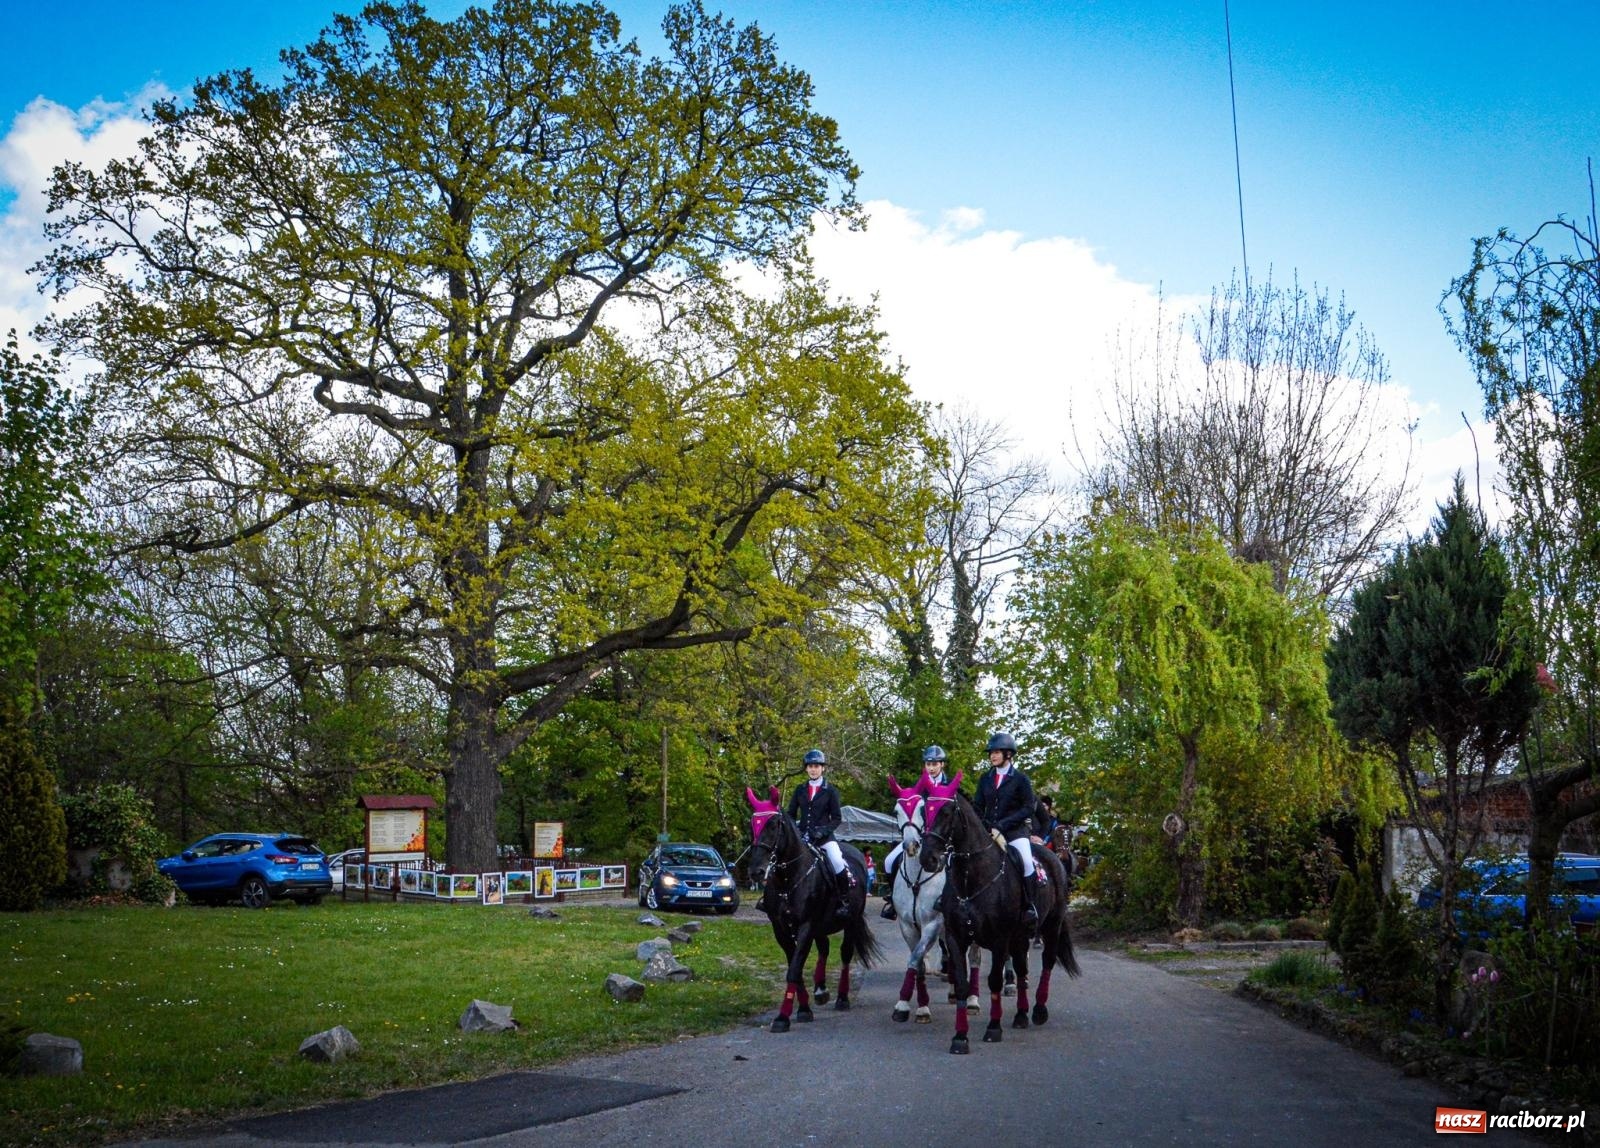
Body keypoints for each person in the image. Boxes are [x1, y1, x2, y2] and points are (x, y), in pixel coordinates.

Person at [973, 731, 1045, 929]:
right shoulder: (985, 779)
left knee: (1026, 862)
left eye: (996, 752)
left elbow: (1028, 808)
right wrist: (986, 825)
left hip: (1014, 832)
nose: (992, 756)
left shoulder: (1020, 779)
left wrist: (1003, 825)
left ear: (1008, 754)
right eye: (991, 753)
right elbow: (977, 806)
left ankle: (1029, 907)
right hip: (988, 832)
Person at [881, 744, 949, 920]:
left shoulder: (949, 787)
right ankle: (893, 900)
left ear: (942, 765)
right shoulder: (918, 788)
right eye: (928, 764)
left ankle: (955, 899)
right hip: (919, 836)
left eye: (935, 764)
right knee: (889, 861)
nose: (931, 768)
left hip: (943, 837)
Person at [786, 748, 854, 918]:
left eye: (816, 766)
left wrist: (822, 831)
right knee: (782, 861)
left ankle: (843, 900)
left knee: (838, 862)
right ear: (806, 768)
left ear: (822, 768)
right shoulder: (799, 790)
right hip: (802, 839)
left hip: (824, 839)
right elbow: (791, 815)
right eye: (810, 766)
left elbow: (836, 818)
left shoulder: (830, 790)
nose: (813, 769)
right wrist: (794, 832)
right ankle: (776, 899)